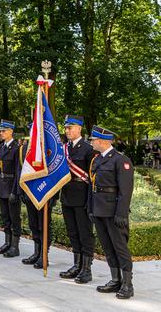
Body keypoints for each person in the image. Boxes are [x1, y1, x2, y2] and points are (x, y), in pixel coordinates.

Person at [88, 126, 135, 299]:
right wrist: (90, 208)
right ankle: (115, 280)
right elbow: (92, 187)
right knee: (107, 247)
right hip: (99, 210)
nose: (91, 142)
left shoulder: (120, 160)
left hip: (113, 212)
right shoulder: (97, 160)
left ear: (102, 141)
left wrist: (121, 214)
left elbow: (126, 190)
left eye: (93, 140)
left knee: (120, 248)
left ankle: (127, 284)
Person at [60, 115, 96, 283]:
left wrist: (91, 201)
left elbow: (92, 178)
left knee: (84, 233)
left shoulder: (88, 149)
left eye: (70, 128)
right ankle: (77, 265)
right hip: (67, 195)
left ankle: (87, 269)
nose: (67, 130)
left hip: (82, 196)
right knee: (72, 232)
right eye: (66, 128)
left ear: (79, 129)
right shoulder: (64, 148)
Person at [0, 120, 22, 258]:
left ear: (11, 131)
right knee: (5, 217)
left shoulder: (17, 148)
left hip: (12, 186)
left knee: (14, 217)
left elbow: (18, 171)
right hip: (3, 185)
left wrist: (15, 191)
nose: (1, 133)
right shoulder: (1, 148)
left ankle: (15, 246)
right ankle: (7, 242)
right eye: (0, 131)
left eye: (4, 131)